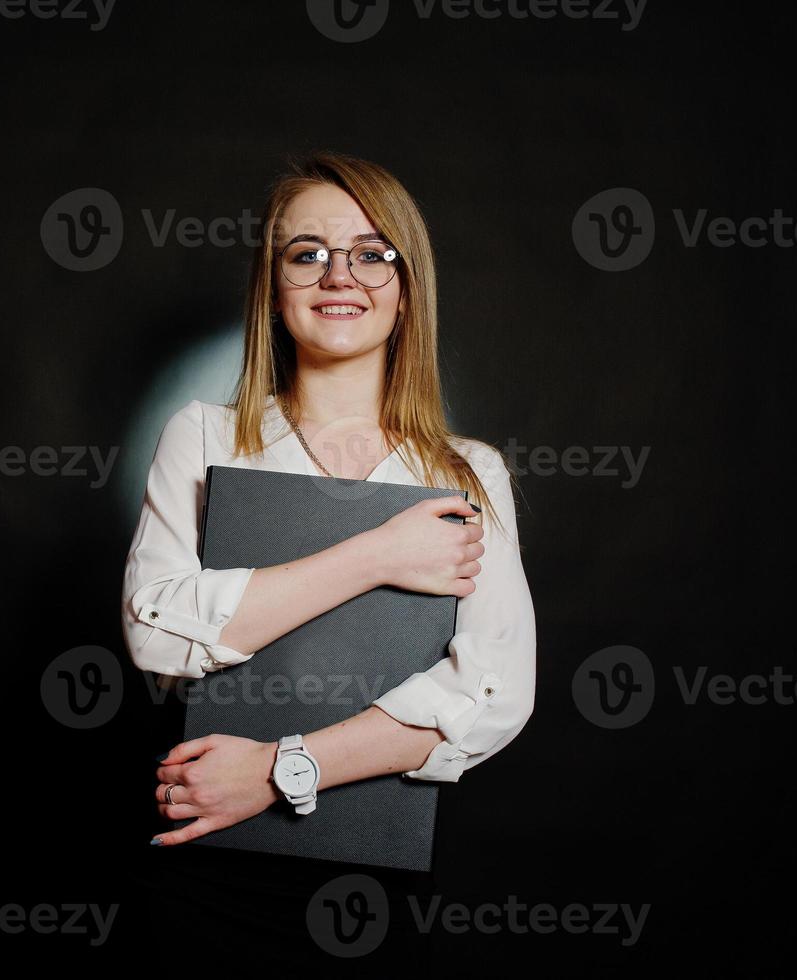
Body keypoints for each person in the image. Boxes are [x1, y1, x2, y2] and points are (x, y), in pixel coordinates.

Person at [118, 152, 537, 973]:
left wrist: (279, 770)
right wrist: (378, 553)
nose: (337, 274)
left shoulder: (465, 473)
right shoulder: (203, 435)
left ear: (407, 285)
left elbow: (493, 691)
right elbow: (158, 636)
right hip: (201, 864)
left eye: (371, 252)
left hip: (378, 881)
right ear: (272, 289)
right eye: (306, 253)